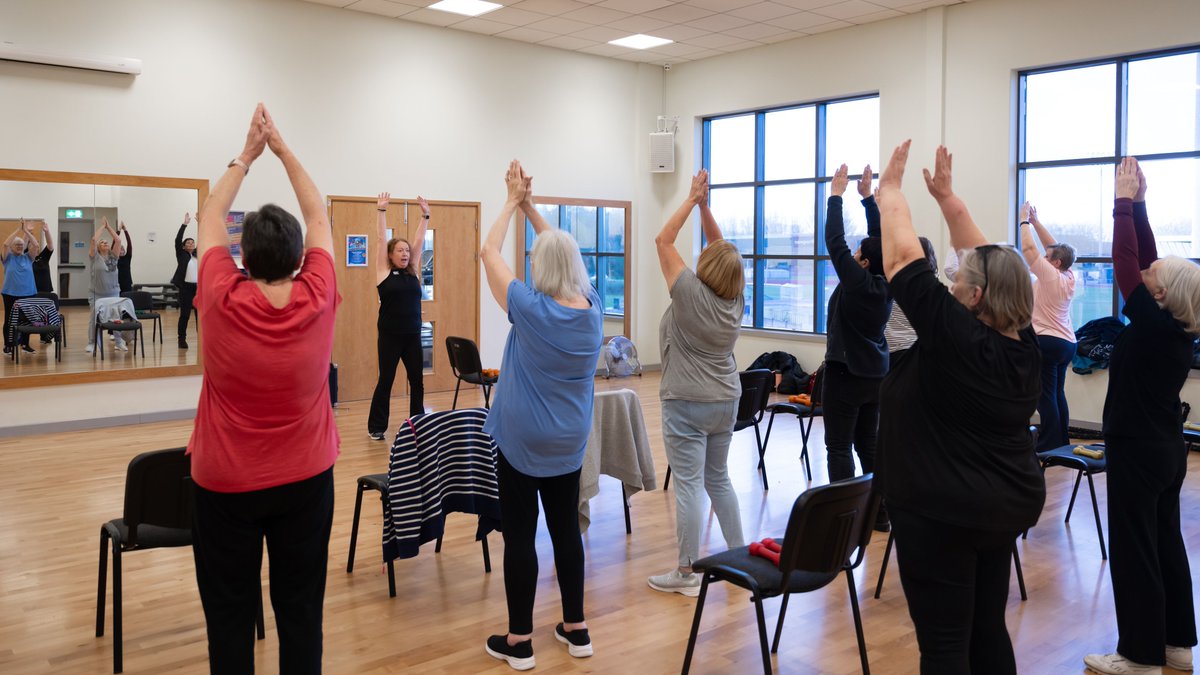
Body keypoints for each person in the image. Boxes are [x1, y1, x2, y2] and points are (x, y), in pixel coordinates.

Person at [875, 142, 1045, 674]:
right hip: (1000, 506)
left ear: (974, 299)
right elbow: (993, 263)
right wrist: (948, 201)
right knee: (985, 625)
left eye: (958, 282)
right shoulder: (1024, 344)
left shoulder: (957, 336)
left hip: (943, 510)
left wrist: (890, 194)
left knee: (946, 641)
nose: (952, 283)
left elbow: (903, 258)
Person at [187, 103, 340, 674]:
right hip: (306, 480)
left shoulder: (222, 297)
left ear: (242, 256)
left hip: (226, 486)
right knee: (301, 613)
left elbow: (210, 215)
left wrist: (246, 154)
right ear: (301, 257)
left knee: (228, 620)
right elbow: (317, 212)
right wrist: (282, 148)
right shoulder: (318, 294)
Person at [480, 160, 602, 671]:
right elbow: (561, 251)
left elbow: (488, 252)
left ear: (541, 269)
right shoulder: (593, 309)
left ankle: (520, 640)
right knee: (566, 532)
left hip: (523, 443)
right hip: (569, 443)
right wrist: (534, 206)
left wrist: (511, 200)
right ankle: (577, 629)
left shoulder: (531, 309)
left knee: (521, 537)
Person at [1084, 158, 1199, 675]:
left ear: (1161, 295)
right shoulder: (1170, 327)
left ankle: (1139, 656)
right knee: (1164, 543)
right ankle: (1176, 645)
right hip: (1165, 450)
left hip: (1138, 449)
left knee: (1134, 551)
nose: (1149, 272)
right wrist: (1144, 205)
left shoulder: (1153, 327)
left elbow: (1130, 264)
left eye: (1156, 278)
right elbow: (1147, 263)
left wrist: (1123, 203)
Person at [647, 168, 747, 597]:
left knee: (689, 484)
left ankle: (686, 573)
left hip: (687, 400)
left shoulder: (688, 292)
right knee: (718, 479)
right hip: (727, 399)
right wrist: (707, 207)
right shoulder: (735, 298)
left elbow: (662, 242)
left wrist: (691, 199)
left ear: (706, 266)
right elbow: (720, 250)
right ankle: (739, 557)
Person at [822, 164, 891, 521]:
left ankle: (844, 518)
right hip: (874, 376)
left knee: (838, 446)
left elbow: (834, 242)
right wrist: (866, 199)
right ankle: (880, 514)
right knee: (868, 444)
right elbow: (882, 244)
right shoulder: (887, 281)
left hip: (846, 376)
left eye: (859, 253)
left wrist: (836, 196)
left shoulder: (859, 283)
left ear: (862, 262)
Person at [367, 191, 431, 440]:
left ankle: (418, 424)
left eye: (407, 251)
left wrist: (425, 215)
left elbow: (419, 240)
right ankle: (376, 427)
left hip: (413, 334)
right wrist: (381, 211)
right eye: (400, 251)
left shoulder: (412, 271)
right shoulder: (383, 271)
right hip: (390, 336)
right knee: (386, 380)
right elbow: (381, 238)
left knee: (417, 381)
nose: (405, 253)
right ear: (391, 255)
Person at [1017, 201, 1077, 451]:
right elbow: (1054, 248)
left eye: (1047, 257)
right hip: (1067, 343)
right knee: (1057, 393)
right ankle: (1061, 440)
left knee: (1045, 396)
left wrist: (1023, 221)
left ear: (1055, 264)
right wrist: (1037, 221)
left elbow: (1030, 248)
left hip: (1047, 342)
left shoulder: (1050, 275)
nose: (1043, 256)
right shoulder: (1068, 274)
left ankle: (1049, 444)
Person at [86, 216, 128, 352]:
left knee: (116, 318)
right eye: (102, 242)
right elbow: (93, 240)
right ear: (98, 247)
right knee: (94, 319)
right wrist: (102, 227)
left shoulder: (114, 256)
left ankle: (119, 341)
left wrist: (109, 227)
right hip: (97, 294)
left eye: (106, 242)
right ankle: (92, 343)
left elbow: (118, 240)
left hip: (113, 293)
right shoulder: (94, 257)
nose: (105, 243)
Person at [2, 219, 41, 354]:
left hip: (29, 293)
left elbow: (35, 245)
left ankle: (25, 344)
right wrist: (19, 230)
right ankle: (8, 345)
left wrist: (26, 232)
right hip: (10, 293)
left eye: (21, 244)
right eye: (16, 244)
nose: (19, 246)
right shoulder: (7, 258)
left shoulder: (28, 257)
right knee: (9, 320)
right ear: (13, 247)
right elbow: (6, 244)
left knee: (27, 320)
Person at [171, 213, 198, 349]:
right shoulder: (181, 254)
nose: (191, 244)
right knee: (185, 314)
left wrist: (201, 223)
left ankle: (203, 338)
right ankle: (182, 339)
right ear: (184, 246)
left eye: (192, 242)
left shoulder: (197, 254)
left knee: (201, 315)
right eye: (188, 242)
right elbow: (177, 239)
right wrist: (184, 224)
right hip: (186, 289)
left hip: (198, 289)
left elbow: (206, 238)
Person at [32, 221, 54, 294]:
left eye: (36, 244)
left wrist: (47, 232)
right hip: (30, 291)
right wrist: (27, 233)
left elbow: (50, 245)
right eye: (32, 244)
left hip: (46, 291)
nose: (35, 246)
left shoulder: (43, 257)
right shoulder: (25, 258)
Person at [117, 221, 134, 294]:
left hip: (127, 283)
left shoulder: (128, 257)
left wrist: (125, 230)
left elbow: (129, 244)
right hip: (117, 283)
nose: (121, 250)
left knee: (127, 301)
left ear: (124, 251)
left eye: (122, 249)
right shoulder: (114, 258)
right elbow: (115, 241)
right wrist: (118, 230)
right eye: (119, 249)